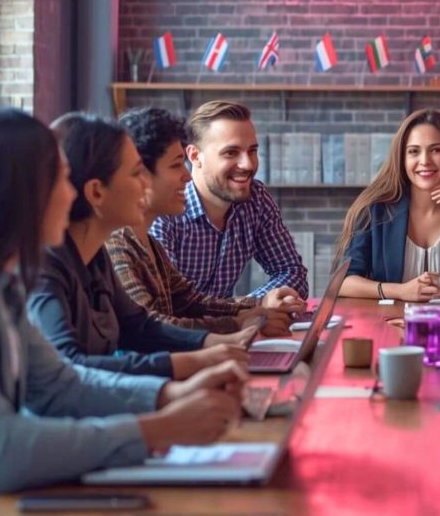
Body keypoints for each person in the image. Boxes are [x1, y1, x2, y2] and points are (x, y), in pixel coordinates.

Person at [0, 109, 247, 515]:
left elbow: (61, 387)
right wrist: (157, 428)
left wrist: (171, 394)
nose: (71, 192)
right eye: (61, 179)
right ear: (17, 191)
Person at [28, 113, 256, 380]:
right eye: (137, 173)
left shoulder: (95, 254)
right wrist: (191, 364)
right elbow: (69, 367)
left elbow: (137, 326)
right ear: (96, 193)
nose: (145, 184)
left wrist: (213, 343)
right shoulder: (45, 267)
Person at [107, 108, 295, 337]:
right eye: (177, 165)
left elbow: (191, 303)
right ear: (140, 174)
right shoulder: (116, 244)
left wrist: (258, 308)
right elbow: (150, 329)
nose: (187, 176)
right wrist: (240, 323)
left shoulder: (146, 244)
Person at [151, 101, 309, 301]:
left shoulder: (256, 200)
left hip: (228, 329)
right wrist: (251, 307)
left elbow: (293, 272)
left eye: (252, 151)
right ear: (194, 156)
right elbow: (168, 305)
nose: (248, 164)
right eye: (231, 153)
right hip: (187, 332)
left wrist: (255, 305)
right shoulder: (165, 211)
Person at [336, 109, 440, 301]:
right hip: (390, 324)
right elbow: (342, 282)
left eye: (436, 150)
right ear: (402, 159)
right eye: (414, 151)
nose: (425, 161)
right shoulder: (375, 207)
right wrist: (399, 291)